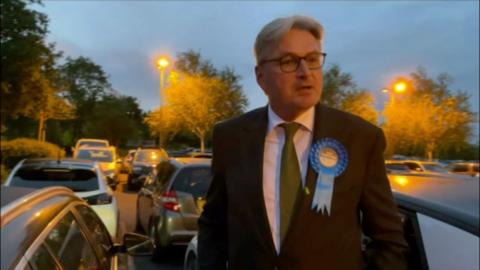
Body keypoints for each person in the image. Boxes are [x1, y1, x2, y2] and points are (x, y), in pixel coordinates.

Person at [198, 15, 409, 270]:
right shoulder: (230, 137)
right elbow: (214, 225)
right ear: (261, 76)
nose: (305, 72)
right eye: (288, 61)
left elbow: (388, 239)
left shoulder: (361, 138)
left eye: (312, 60)